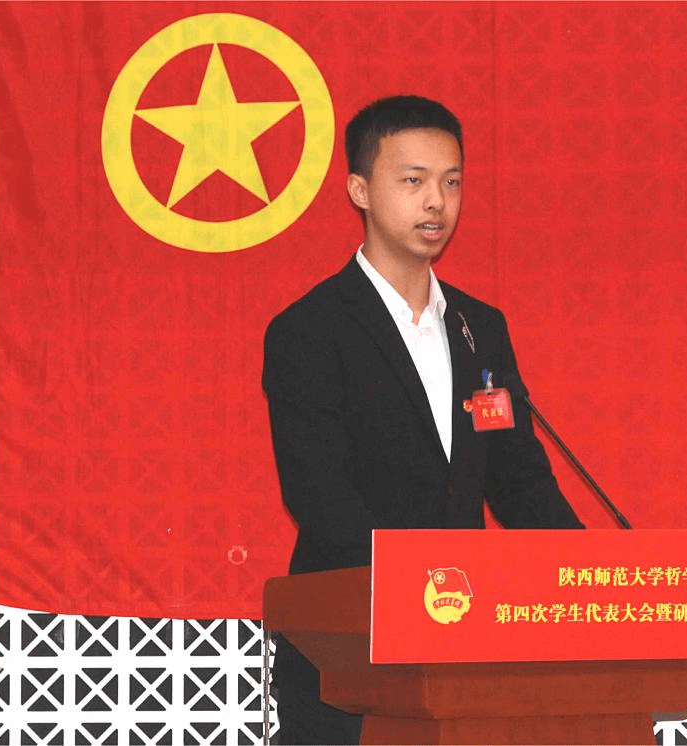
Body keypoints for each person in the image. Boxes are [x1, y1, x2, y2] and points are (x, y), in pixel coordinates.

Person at [262, 95, 584, 744]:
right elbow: (320, 495)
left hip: (462, 653)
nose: (437, 201)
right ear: (359, 190)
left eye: (452, 182)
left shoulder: (479, 329)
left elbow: (519, 481)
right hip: (347, 656)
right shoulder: (310, 329)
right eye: (413, 181)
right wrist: (416, 596)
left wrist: (589, 576)